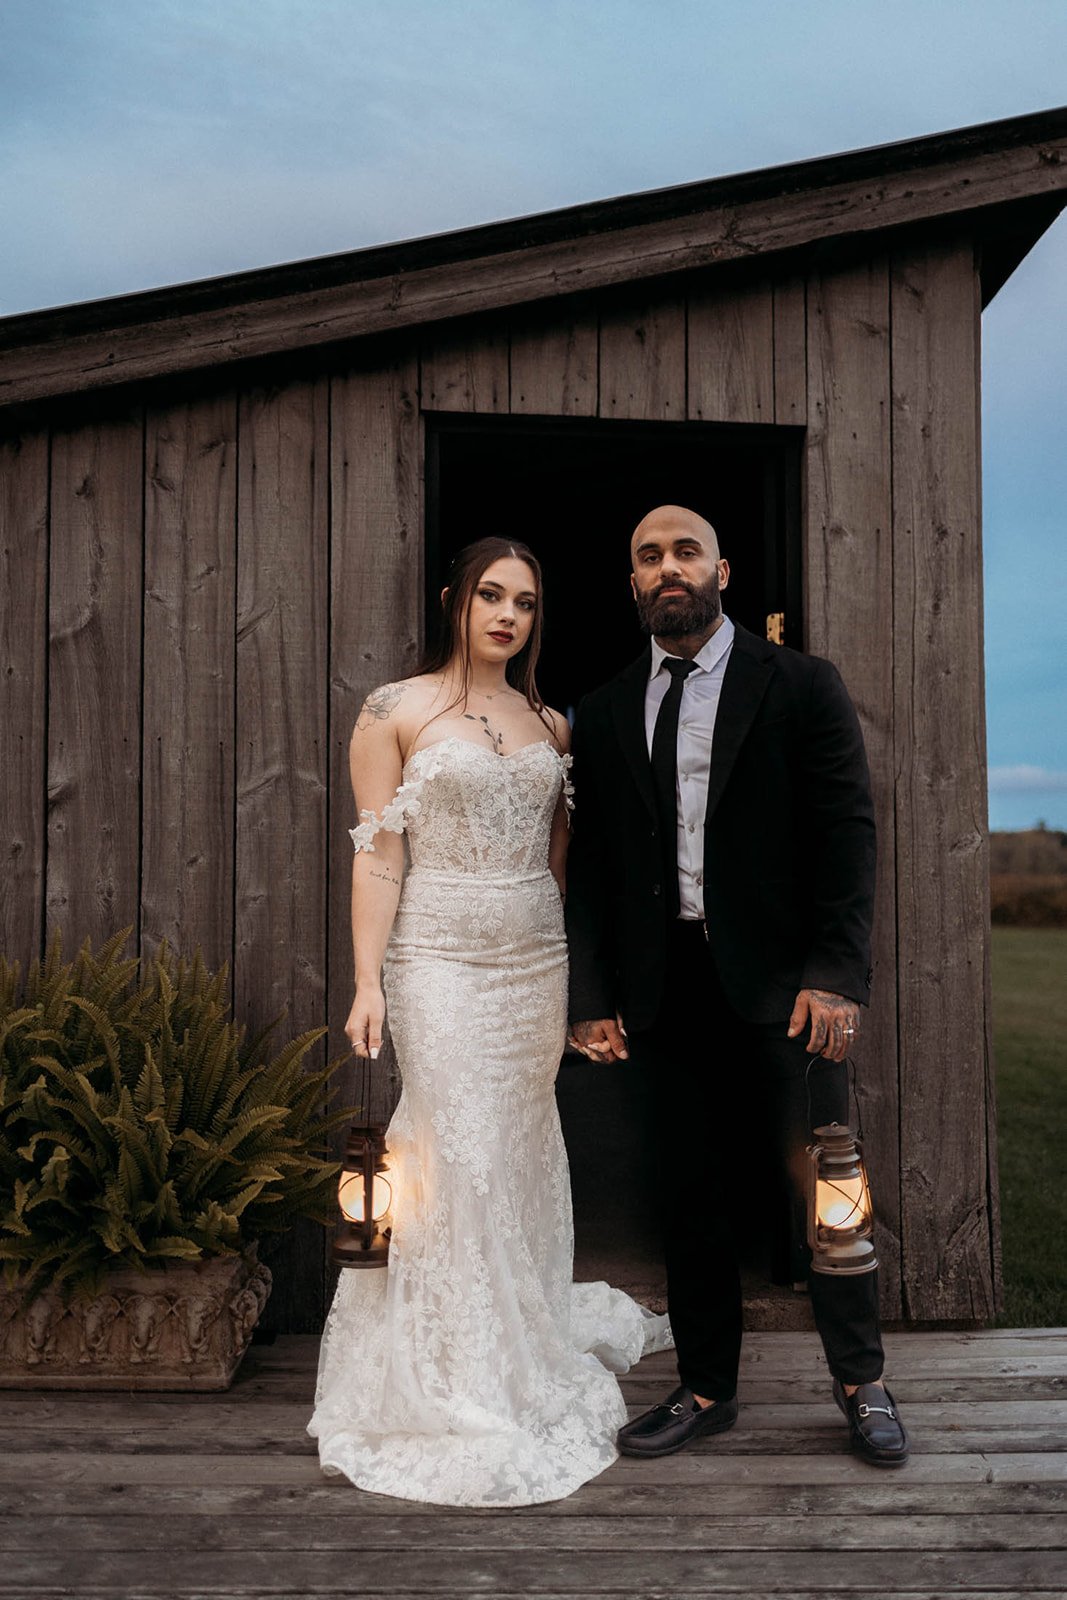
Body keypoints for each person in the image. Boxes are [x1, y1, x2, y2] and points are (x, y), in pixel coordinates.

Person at [308, 536, 670, 1507]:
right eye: (489, 596)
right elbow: (378, 855)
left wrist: (580, 981)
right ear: (452, 602)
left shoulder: (552, 724)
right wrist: (367, 980)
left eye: (524, 601)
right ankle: (451, 1366)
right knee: (450, 1145)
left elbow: (561, 865)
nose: (507, 615)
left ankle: (521, 1338)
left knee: (513, 1149)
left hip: (531, 959)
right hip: (435, 953)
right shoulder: (394, 710)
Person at [565, 504, 909, 1467]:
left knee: (827, 1187)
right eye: (647, 556)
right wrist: (589, 995)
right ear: (631, 583)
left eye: (684, 551)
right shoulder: (600, 709)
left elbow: (848, 835)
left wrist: (837, 977)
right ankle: (706, 1385)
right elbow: (588, 870)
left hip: (789, 993)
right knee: (690, 1193)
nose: (666, 568)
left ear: (721, 570)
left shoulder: (799, 684)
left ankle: (862, 1381)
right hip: (665, 992)